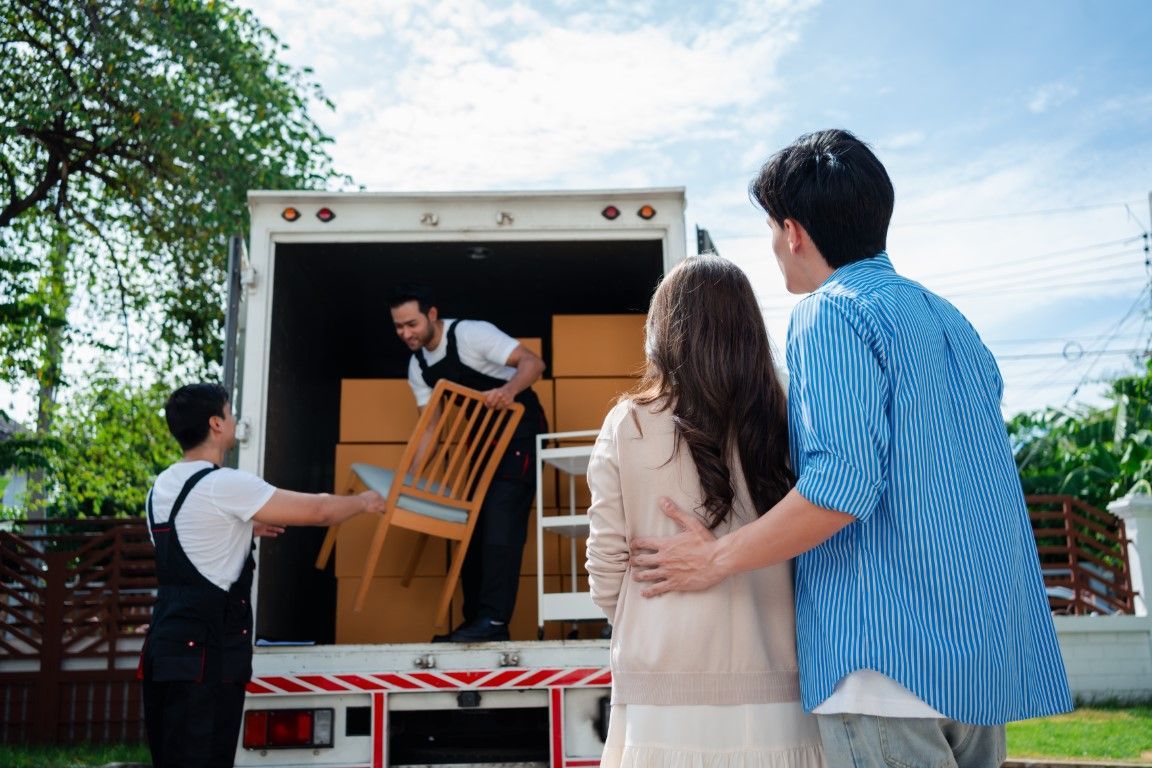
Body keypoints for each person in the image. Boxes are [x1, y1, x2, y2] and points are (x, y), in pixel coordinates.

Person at [630, 130, 1072, 766]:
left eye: (771, 228)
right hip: (983, 655)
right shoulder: (949, 319)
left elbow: (841, 486)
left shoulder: (830, 312)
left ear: (793, 232)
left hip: (886, 658)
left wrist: (717, 558)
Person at [585, 255, 825, 767]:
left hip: (660, 689)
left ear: (662, 329)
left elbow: (606, 570)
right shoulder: (792, 412)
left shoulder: (629, 423)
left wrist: (652, 614)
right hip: (782, 684)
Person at [140, 383, 388, 768]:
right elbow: (319, 511)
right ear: (216, 424)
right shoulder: (225, 483)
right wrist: (364, 501)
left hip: (166, 650)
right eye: (230, 412)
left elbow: (190, 542)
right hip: (206, 656)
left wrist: (243, 528)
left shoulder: (160, 487)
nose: (235, 420)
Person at [389, 286, 548, 642]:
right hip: (482, 440)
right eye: (399, 327)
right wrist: (407, 483)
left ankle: (494, 622)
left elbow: (533, 363)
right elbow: (431, 428)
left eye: (412, 324)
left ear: (432, 315)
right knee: (472, 528)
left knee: (501, 524)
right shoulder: (418, 366)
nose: (406, 333)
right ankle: (475, 620)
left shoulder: (472, 334)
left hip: (520, 431)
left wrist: (507, 392)